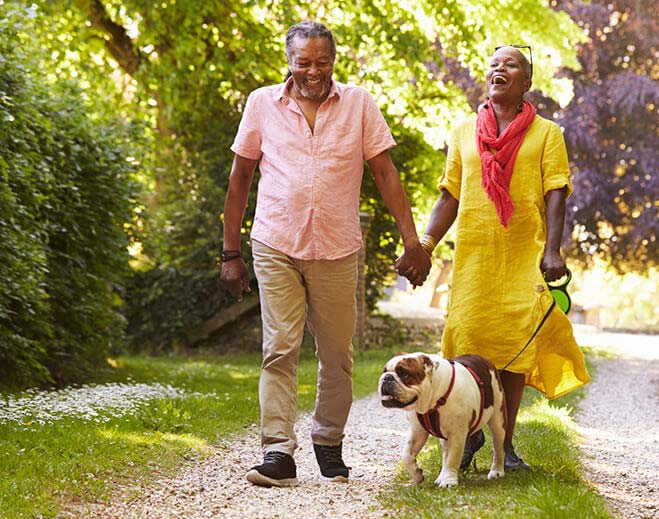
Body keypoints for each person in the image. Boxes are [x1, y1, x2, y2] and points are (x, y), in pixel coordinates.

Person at [220, 20, 431, 488]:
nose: (314, 71)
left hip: (336, 248)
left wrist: (412, 241)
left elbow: (385, 173)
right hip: (276, 242)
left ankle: (328, 442)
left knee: (337, 354)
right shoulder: (261, 104)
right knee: (279, 349)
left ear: (334, 61)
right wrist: (229, 252)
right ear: (289, 63)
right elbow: (239, 181)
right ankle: (278, 452)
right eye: (304, 63)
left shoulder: (358, 104)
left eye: (322, 62)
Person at [397, 45, 590, 470]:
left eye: (511, 64)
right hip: (475, 256)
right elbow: (451, 193)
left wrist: (553, 250)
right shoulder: (465, 131)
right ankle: (466, 435)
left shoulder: (547, 134)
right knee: (466, 341)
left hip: (523, 255)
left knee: (513, 352)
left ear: (526, 82)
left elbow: (555, 192)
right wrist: (425, 245)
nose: (499, 69)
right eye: (494, 64)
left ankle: (507, 443)